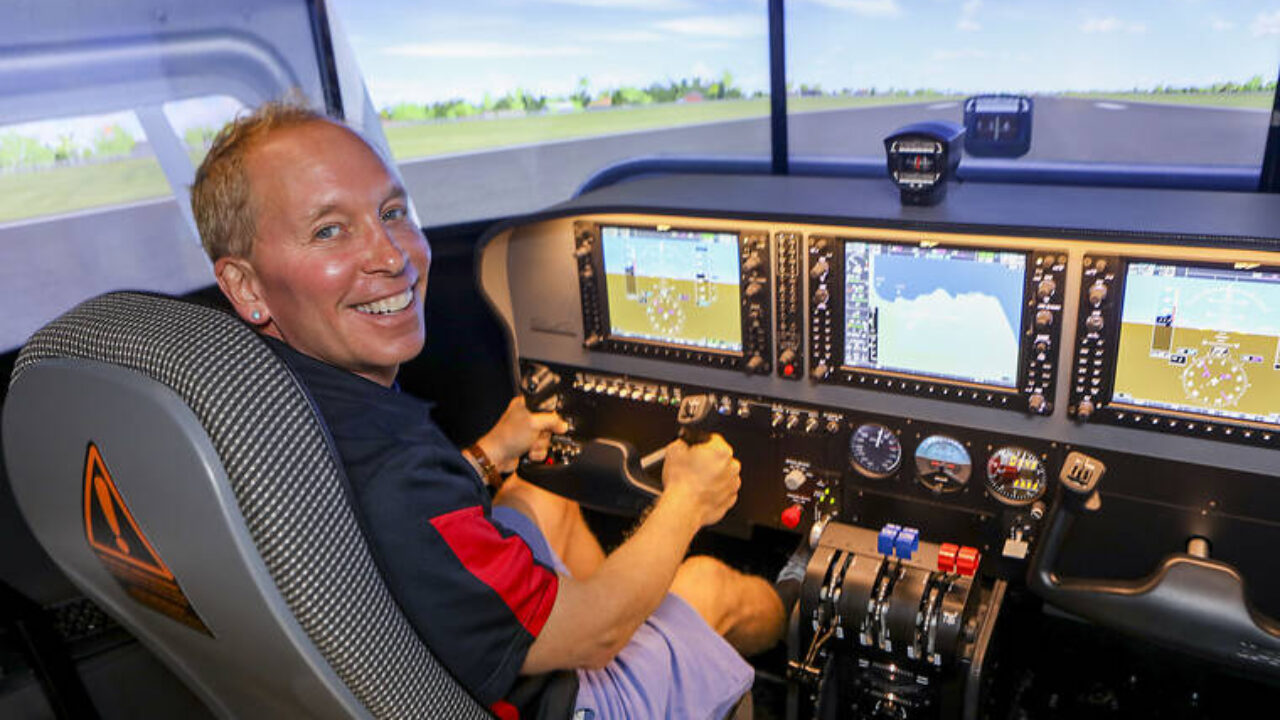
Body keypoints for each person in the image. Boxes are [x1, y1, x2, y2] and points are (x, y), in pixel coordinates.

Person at [190, 101, 787, 719]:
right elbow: (593, 638)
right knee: (712, 587)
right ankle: (787, 642)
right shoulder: (394, 471)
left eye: (392, 213)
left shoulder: (269, 405)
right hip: (545, 703)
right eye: (329, 231)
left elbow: (389, 535)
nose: (393, 257)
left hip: (426, 655)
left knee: (545, 488)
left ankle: (640, 621)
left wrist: (482, 458)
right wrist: (688, 501)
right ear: (246, 287)